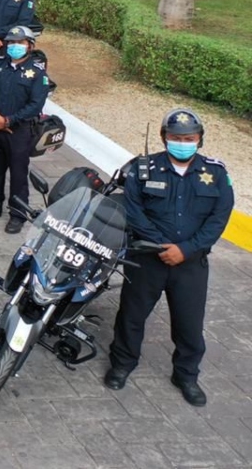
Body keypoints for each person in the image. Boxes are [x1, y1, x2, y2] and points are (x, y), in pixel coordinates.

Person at [103, 109, 233, 407]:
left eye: (189, 138)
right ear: (164, 137)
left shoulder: (215, 173)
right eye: (175, 137)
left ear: (199, 139)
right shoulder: (143, 168)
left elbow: (218, 218)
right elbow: (133, 210)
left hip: (190, 264)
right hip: (147, 257)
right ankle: (123, 363)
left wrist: (185, 250)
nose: (182, 142)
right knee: (131, 316)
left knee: (189, 323)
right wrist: (162, 245)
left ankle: (186, 375)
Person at [0, 26, 50, 234]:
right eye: (11, 43)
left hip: (19, 131)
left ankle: (17, 214)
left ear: (30, 46)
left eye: (20, 43)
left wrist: (8, 121)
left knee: (18, 174)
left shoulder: (37, 73)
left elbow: (35, 104)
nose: (15, 46)